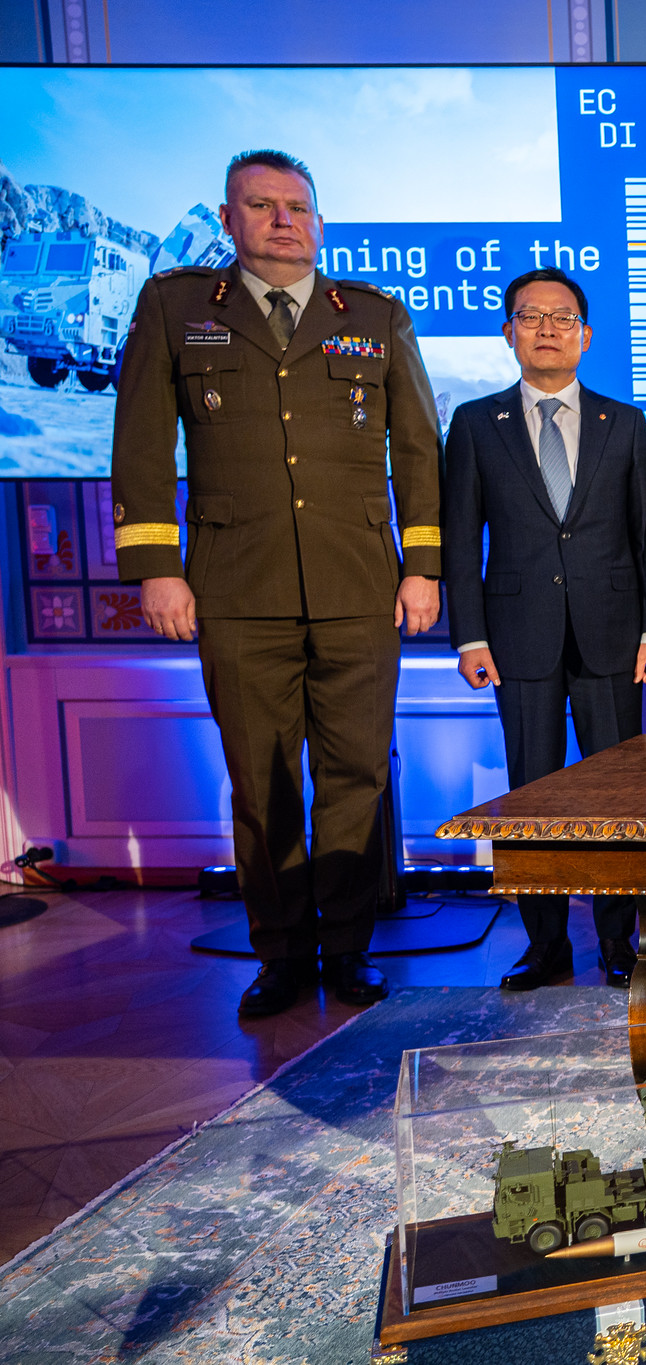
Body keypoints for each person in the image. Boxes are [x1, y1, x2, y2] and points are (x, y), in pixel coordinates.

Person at [111, 149, 441, 1017]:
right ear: (229, 220)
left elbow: (418, 450)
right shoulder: (177, 307)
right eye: (261, 205)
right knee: (262, 784)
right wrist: (157, 569)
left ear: (319, 222)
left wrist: (422, 566)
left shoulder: (373, 314)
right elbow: (142, 445)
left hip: (358, 585)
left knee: (356, 774)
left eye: (297, 206)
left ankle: (349, 946)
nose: (283, 220)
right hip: (236, 588)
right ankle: (283, 952)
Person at [443, 269, 646, 991]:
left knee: (617, 797)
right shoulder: (476, 423)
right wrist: (470, 636)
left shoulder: (623, 422)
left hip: (613, 633)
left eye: (562, 317)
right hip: (517, 636)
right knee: (531, 796)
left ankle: (618, 940)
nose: (547, 329)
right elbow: (460, 538)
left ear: (586, 335)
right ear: (508, 331)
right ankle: (544, 945)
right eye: (531, 316)